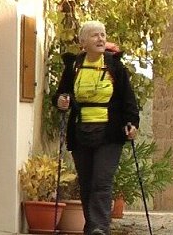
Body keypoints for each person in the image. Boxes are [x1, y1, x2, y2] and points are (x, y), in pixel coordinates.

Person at [54, 20, 139, 235]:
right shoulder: (73, 66)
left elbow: (128, 100)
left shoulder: (115, 66)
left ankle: (99, 227)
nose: (101, 39)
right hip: (81, 131)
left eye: (103, 34)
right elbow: (61, 94)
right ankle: (92, 227)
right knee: (87, 183)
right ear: (83, 42)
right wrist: (61, 101)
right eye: (95, 35)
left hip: (110, 133)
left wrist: (132, 124)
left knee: (102, 181)